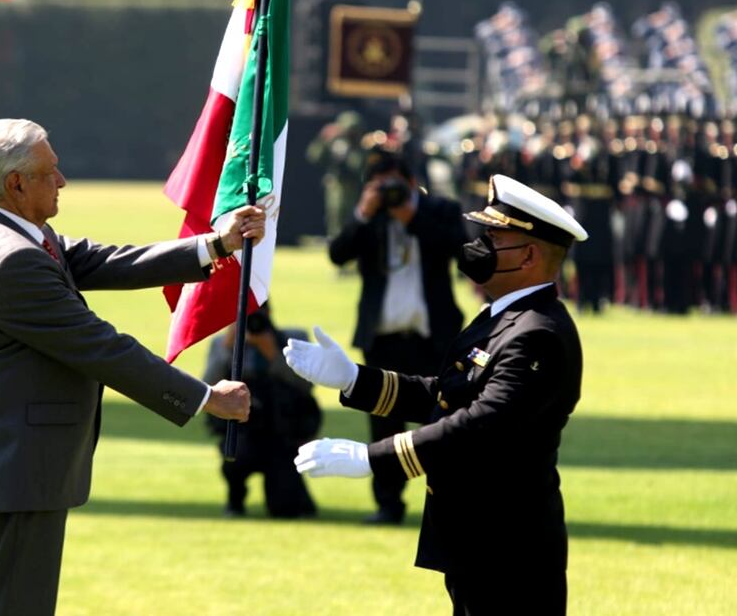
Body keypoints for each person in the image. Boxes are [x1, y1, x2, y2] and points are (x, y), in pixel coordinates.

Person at [0, 118, 259, 616]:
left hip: (0, 470)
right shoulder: (12, 260)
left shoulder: (3, 231)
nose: (62, 181)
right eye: (49, 172)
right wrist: (205, 398)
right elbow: (103, 348)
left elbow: (104, 261)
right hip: (11, 474)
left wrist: (216, 243)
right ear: (15, 184)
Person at [286, 174, 588, 615]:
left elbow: (483, 423)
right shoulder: (503, 317)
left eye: (494, 238)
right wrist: (354, 380)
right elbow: (446, 395)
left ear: (528, 255)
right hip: (475, 536)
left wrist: (374, 458)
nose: (479, 245)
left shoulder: (536, 333)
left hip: (509, 544)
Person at [328, 148, 466, 524]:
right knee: (383, 425)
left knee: (443, 423)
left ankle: (448, 505)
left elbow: (460, 250)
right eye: (380, 186)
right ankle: (388, 505)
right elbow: (338, 254)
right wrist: (363, 212)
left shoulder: (439, 210)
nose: (389, 193)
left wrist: (413, 217)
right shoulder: (370, 217)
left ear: (411, 182)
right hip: (383, 339)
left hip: (433, 339)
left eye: (394, 185)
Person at [204, 302, 322, 519]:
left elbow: (306, 386)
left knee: (284, 508)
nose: (253, 322)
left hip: (282, 432)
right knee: (235, 459)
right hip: (241, 430)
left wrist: (274, 355)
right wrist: (228, 349)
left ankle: (297, 496)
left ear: (269, 313)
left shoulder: (292, 340)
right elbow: (208, 387)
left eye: (258, 314)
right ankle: (235, 498)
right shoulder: (222, 343)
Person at [307, 110, 368, 240]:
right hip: (335, 184)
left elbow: (358, 165)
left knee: (351, 216)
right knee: (334, 214)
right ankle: (335, 240)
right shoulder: (334, 141)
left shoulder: (360, 145)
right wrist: (323, 139)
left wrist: (348, 152)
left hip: (353, 185)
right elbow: (314, 157)